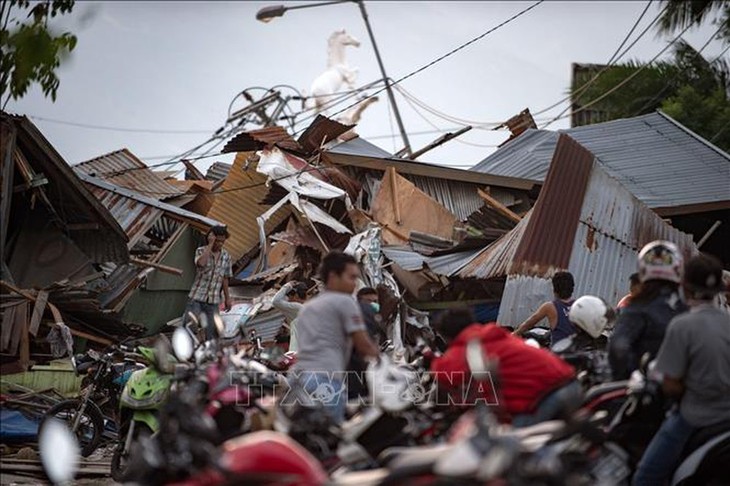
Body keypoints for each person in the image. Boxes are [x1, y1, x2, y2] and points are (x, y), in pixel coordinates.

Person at [633, 254, 730, 486]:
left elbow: (671, 384)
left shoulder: (682, 325)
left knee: (645, 478)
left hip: (694, 417)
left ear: (685, 287)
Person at [432, 309, 580, 427]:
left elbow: (441, 374)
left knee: (500, 444)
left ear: (447, 337)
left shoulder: (465, 347)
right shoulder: (495, 334)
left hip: (547, 399)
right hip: (572, 385)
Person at [289, 251, 380, 424]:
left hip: (299, 379)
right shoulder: (346, 302)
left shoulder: (308, 307)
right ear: (333, 276)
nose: (354, 284)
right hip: (326, 380)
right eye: (351, 278)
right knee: (330, 440)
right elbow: (364, 346)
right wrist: (384, 361)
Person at [609, 241, 688, 380]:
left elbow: (618, 348)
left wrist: (630, 377)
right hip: (686, 391)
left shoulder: (636, 307)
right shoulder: (687, 308)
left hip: (644, 391)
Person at [183, 226, 232, 341]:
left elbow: (225, 278)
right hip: (197, 297)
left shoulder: (226, 257)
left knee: (213, 330)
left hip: (213, 300)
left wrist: (227, 298)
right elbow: (201, 263)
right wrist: (210, 245)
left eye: (222, 242)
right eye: (217, 241)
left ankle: (208, 354)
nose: (220, 244)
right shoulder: (201, 251)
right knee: (190, 326)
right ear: (211, 238)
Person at [512, 271, 576, 346]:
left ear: (554, 289)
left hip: (559, 353)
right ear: (572, 288)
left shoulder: (550, 307)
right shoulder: (579, 305)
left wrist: (514, 334)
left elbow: (529, 323)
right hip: (578, 351)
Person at [347, 287, 384, 399]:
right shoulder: (359, 314)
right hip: (353, 374)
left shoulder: (373, 317)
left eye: (375, 302)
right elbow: (364, 345)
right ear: (360, 301)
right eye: (369, 301)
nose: (372, 304)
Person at [272, 281, 308, 352]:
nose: (288, 300)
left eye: (289, 297)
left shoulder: (297, 307)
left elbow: (275, 301)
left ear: (296, 296)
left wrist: (287, 286)